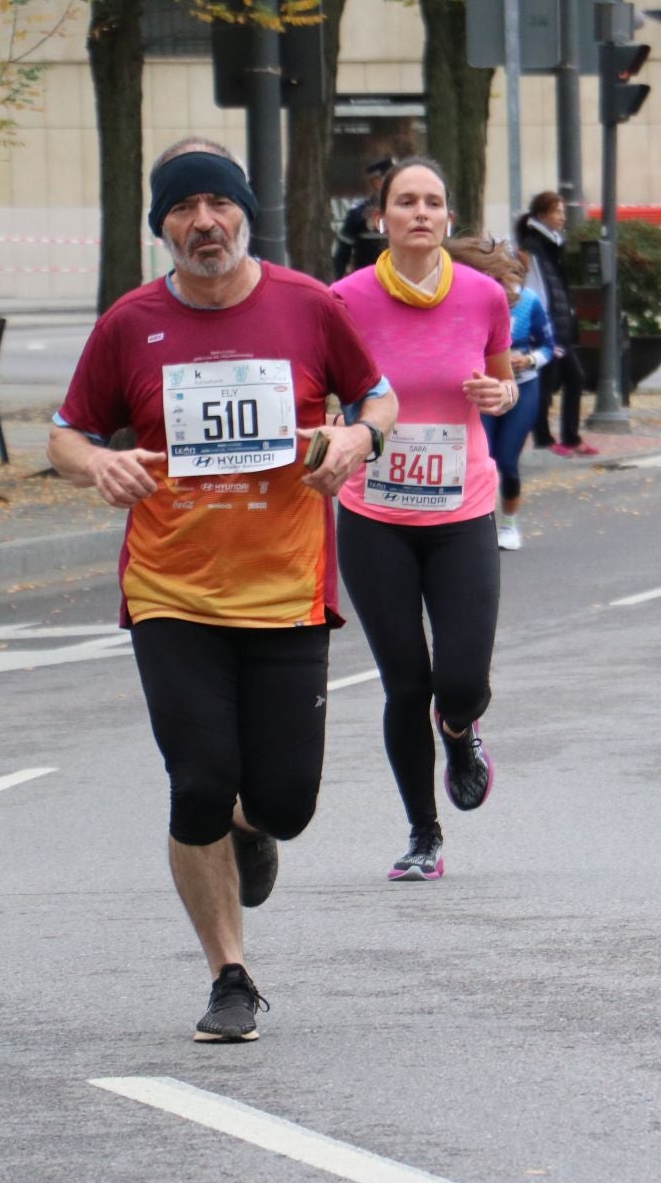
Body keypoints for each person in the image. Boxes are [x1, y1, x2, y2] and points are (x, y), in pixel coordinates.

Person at [51, 138, 395, 1041]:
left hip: (286, 586)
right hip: (171, 589)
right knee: (198, 781)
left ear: (245, 212)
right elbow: (66, 432)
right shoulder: (131, 322)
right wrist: (100, 463)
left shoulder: (309, 307)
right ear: (162, 226)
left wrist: (360, 441)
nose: (204, 224)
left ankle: (255, 825)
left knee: (285, 801)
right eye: (182, 210)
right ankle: (230, 974)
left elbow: (380, 400)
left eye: (219, 206)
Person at [334, 156, 517, 885]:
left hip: (461, 504)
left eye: (432, 202)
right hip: (374, 510)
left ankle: (462, 727)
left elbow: (499, 378)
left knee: (460, 677)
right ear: (381, 218)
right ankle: (422, 832)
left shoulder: (481, 296)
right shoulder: (344, 299)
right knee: (406, 683)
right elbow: (323, 394)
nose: (419, 212)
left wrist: (497, 395)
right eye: (404, 201)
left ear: (448, 219)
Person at [449, 237, 553, 552]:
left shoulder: (530, 302)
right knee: (485, 456)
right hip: (482, 387)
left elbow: (549, 345)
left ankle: (509, 522)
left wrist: (531, 359)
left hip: (524, 385)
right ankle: (479, 521)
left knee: (507, 459)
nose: (504, 286)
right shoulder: (468, 302)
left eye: (509, 278)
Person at [515, 192, 598, 458]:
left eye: (562, 212)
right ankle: (545, 438)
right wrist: (544, 329)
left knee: (571, 379)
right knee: (548, 383)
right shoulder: (534, 247)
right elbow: (538, 290)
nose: (563, 217)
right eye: (557, 212)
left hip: (557, 328)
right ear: (542, 216)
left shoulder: (550, 246)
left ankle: (567, 437)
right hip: (547, 330)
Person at [332, 157, 393, 280]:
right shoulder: (359, 213)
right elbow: (342, 255)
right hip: (366, 283)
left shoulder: (407, 211)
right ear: (378, 182)